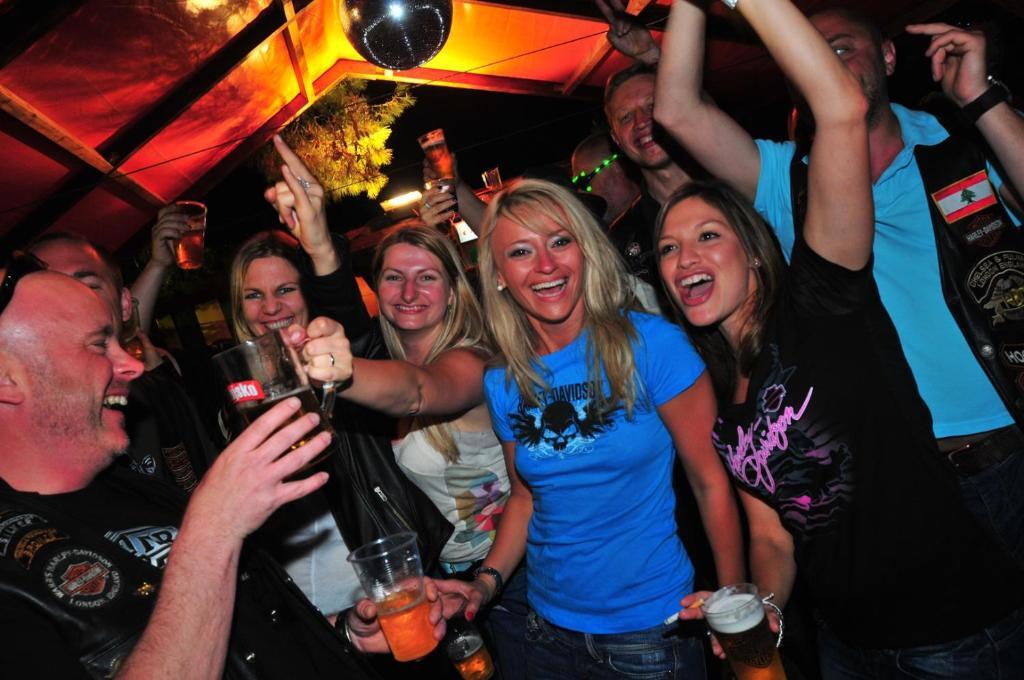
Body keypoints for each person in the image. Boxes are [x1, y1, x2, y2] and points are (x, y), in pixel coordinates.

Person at [653, 0, 1024, 677]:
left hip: (1000, 460)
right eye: (668, 249)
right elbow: (772, 535)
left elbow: (840, 110)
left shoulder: (953, 150)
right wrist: (763, 601)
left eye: (706, 236)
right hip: (850, 626)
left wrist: (984, 102)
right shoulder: (785, 187)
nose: (686, 259)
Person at [0, 260, 453, 678]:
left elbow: (240, 635)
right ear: (5, 376)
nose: (132, 365)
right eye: (100, 344)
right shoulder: (11, 571)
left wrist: (345, 632)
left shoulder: (140, 489)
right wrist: (215, 527)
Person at [440, 178, 744, 678]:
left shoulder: (652, 345)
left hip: (649, 633)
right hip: (544, 629)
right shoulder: (504, 379)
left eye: (560, 241)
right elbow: (525, 497)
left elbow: (711, 481)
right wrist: (485, 583)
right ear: (498, 276)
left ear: (585, 250)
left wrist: (732, 602)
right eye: (521, 251)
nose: (546, 265)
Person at [223, 138, 452, 624]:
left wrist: (320, 245)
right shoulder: (232, 397)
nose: (271, 307)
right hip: (297, 612)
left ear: (308, 295)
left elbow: (352, 325)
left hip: (385, 590)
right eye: (254, 295)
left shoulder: (341, 364)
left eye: (286, 289)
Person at [306, 224, 528, 679]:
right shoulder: (386, 363)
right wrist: (319, 244)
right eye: (394, 277)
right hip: (448, 578)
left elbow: (419, 392)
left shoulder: (474, 361)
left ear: (453, 292)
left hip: (513, 573)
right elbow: (350, 319)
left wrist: (336, 372)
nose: (408, 292)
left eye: (426, 277)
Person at [28, 232, 213, 493]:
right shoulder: (24, 420)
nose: (71, 301)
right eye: (50, 291)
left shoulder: (163, 395)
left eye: (89, 286)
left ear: (125, 305)